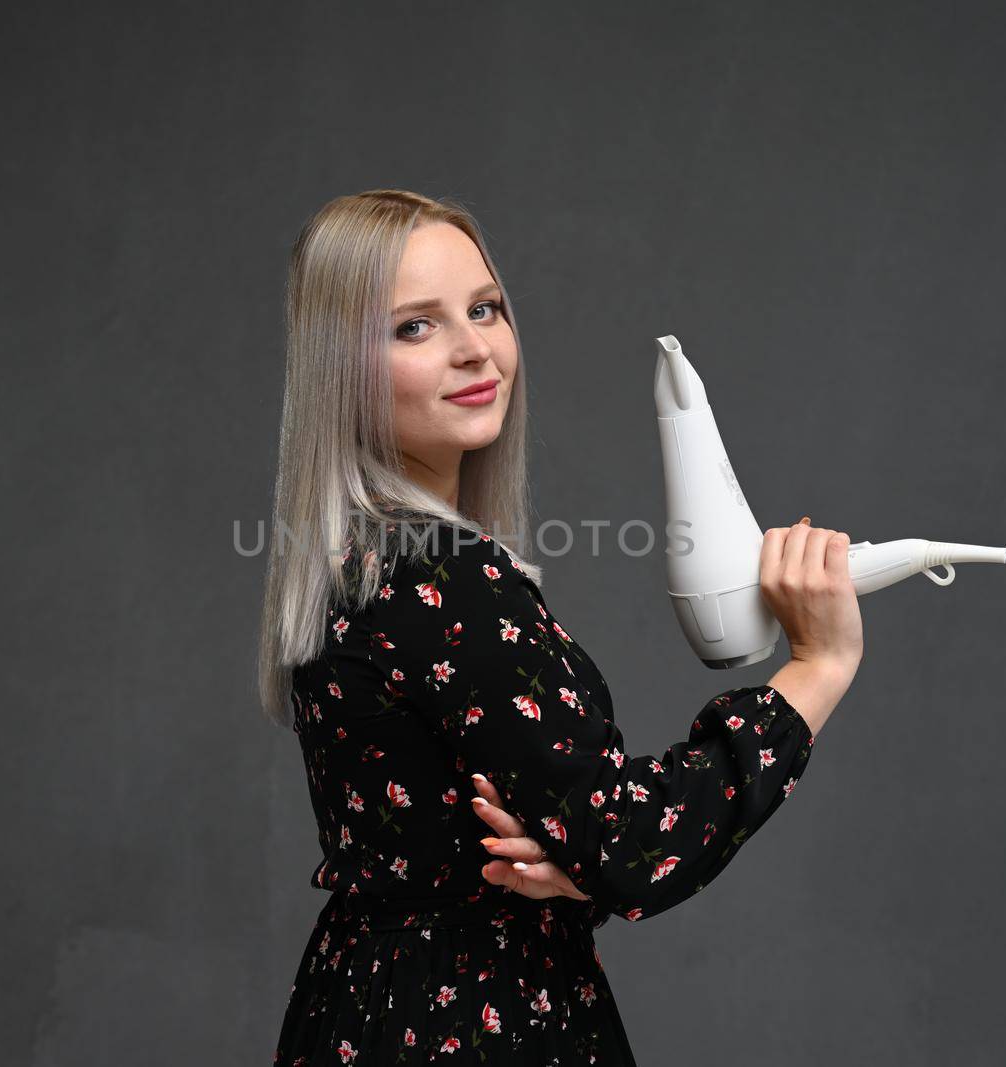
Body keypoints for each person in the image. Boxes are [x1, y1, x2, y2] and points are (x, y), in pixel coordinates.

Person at [257, 189, 864, 1065]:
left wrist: (576, 865)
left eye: (485, 308)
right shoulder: (442, 574)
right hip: (467, 1023)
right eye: (414, 327)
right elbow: (635, 839)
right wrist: (820, 663)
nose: (475, 349)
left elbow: (544, 837)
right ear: (336, 365)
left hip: (361, 1008)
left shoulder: (355, 561)